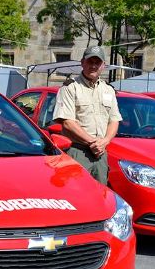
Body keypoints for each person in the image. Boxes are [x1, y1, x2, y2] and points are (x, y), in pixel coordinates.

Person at [52, 46, 122, 185]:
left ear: (103, 65)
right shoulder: (70, 87)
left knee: (100, 193)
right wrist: (93, 142)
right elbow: (67, 122)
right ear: (82, 63)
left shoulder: (108, 90)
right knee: (76, 192)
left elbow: (114, 120)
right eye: (90, 61)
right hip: (77, 151)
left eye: (97, 62)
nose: (93, 66)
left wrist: (105, 141)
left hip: (100, 153)